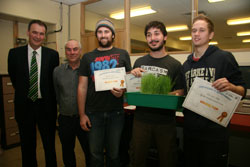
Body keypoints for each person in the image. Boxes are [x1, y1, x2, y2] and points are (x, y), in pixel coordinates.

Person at [181, 14, 245, 167]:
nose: (197, 34)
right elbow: (184, 93)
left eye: (201, 30)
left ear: (210, 35)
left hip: (215, 134)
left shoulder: (224, 57)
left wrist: (232, 87)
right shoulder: (186, 65)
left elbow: (242, 90)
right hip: (190, 132)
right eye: (194, 30)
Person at [77, 18, 132, 167]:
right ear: (96, 35)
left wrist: (123, 91)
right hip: (93, 113)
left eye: (106, 31)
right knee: (95, 155)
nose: (103, 35)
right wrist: (82, 115)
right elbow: (82, 87)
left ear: (113, 35)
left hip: (116, 113)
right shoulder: (87, 57)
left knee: (114, 155)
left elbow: (129, 82)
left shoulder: (123, 54)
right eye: (100, 32)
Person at [130, 21, 183, 167]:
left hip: (165, 122)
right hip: (141, 120)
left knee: (168, 160)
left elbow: (181, 91)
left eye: (156, 34)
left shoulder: (175, 64)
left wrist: (164, 95)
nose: (152, 38)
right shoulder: (139, 62)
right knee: (137, 159)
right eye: (149, 35)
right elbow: (133, 90)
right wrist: (131, 76)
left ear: (165, 37)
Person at [8, 19, 59, 167]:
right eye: (35, 32)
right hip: (25, 106)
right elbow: (15, 79)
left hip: (46, 107)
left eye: (41, 34)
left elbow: (52, 81)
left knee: (49, 145)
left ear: (45, 36)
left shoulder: (53, 55)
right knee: (27, 146)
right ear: (28, 33)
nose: (38, 36)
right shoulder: (14, 54)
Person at [53, 39, 90, 167]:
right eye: (69, 49)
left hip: (85, 118)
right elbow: (57, 94)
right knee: (67, 152)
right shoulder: (57, 71)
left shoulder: (89, 70)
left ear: (80, 51)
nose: (72, 52)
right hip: (65, 119)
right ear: (65, 51)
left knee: (89, 151)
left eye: (75, 49)